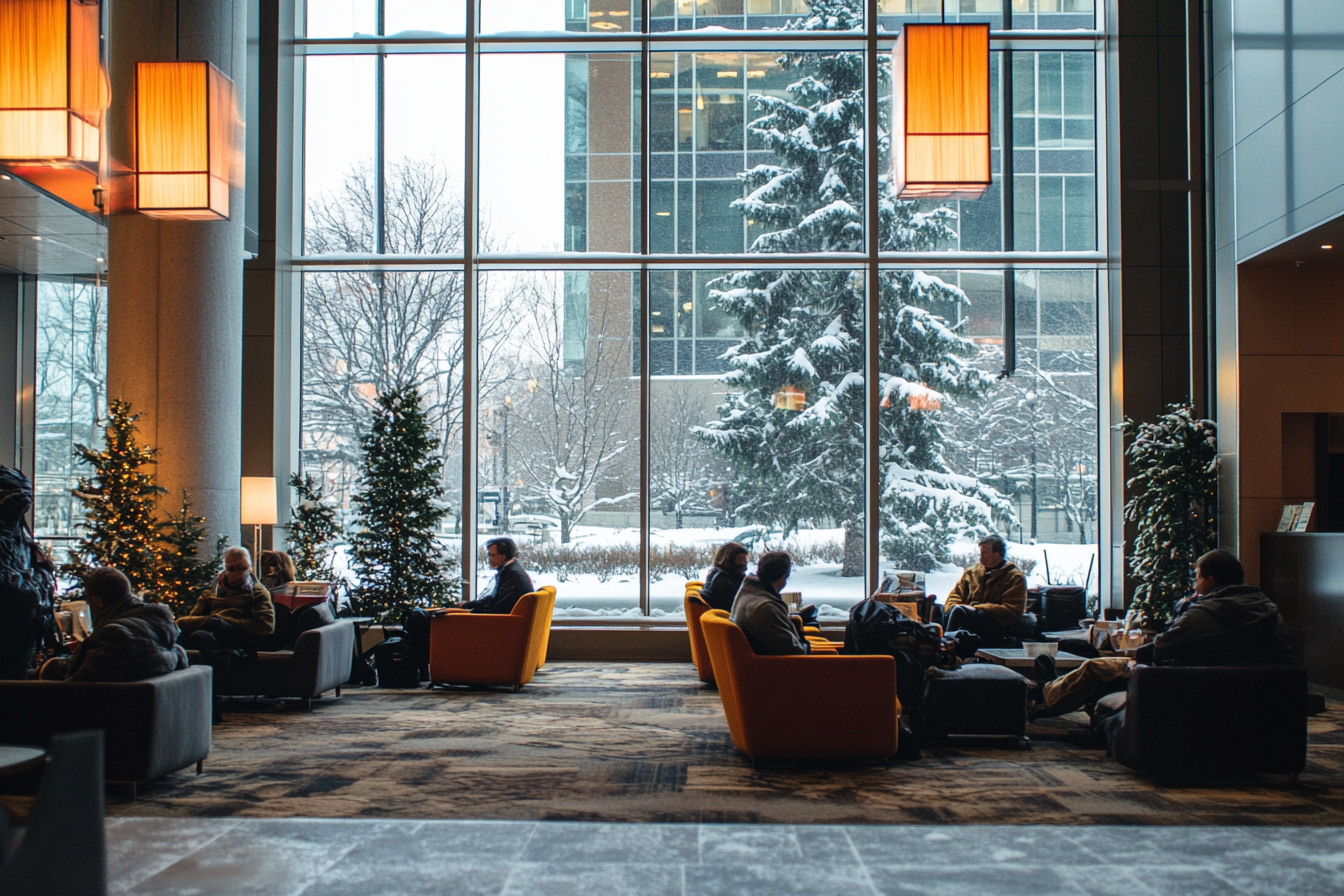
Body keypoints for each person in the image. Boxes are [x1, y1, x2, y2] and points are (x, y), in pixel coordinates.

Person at [1034, 550, 1294, 719]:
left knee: (1094, 666)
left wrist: (1142, 652)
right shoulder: (1268, 608)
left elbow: (1162, 649)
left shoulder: (1204, 612)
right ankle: (1052, 688)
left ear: (1212, 581)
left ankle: (1045, 694)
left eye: (1198, 578)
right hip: (1262, 687)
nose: (1195, 584)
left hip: (1189, 681)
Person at [40, 567, 187, 682]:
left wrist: (46, 669)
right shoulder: (159, 625)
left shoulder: (113, 636)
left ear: (97, 601)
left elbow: (77, 686)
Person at [176, 546, 276, 652]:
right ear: (226, 568)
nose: (238, 573)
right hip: (210, 629)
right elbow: (193, 619)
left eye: (242, 568)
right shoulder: (210, 592)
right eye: (232, 568)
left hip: (238, 637)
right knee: (176, 635)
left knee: (200, 636)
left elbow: (267, 626)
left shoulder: (258, 593)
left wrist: (225, 622)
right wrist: (209, 621)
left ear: (249, 567)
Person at [941, 534, 1027, 652]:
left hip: (995, 625)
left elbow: (1012, 611)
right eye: (980, 554)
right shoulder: (971, 573)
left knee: (959, 611)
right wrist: (953, 606)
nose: (981, 558)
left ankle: (944, 649)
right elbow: (955, 595)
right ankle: (943, 646)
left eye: (985, 554)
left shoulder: (1014, 578)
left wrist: (977, 608)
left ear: (998, 555)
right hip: (967, 617)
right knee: (942, 611)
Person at [729, 550, 810, 656]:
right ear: (783, 577)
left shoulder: (747, 592)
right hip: (777, 669)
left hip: (757, 664)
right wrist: (805, 643)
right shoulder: (766, 608)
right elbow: (795, 653)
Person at [460, 536, 534, 614]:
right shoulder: (512, 569)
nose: (489, 559)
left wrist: (470, 613)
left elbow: (500, 610)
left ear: (503, 556)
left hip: (505, 622)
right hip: (510, 620)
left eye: (492, 555)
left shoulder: (513, 575)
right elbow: (494, 600)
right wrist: (468, 605)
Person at [701, 541, 749, 612]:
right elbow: (742, 606)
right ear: (729, 560)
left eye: (745, 561)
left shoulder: (716, 573)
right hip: (728, 619)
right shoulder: (723, 581)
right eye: (741, 560)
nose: (745, 566)